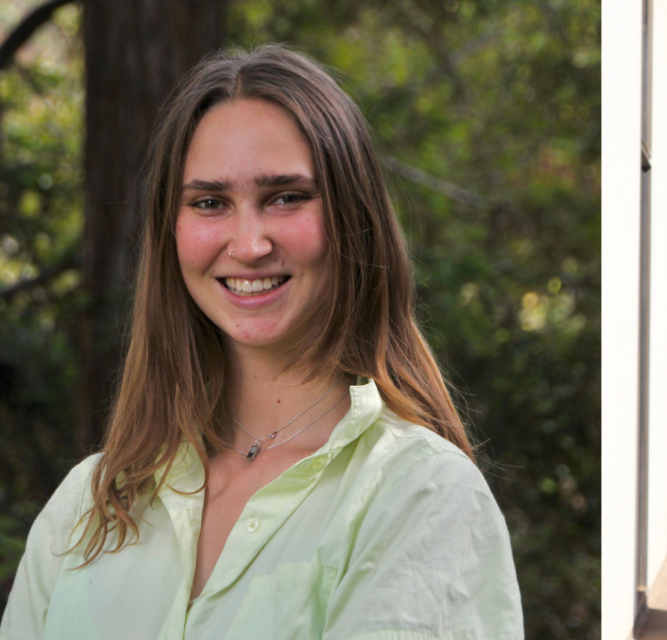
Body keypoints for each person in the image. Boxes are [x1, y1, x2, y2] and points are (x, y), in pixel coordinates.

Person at [0, 46, 523, 640]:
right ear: (171, 230)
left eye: (286, 197)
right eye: (210, 203)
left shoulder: (419, 494)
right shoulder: (88, 507)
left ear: (354, 217)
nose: (249, 245)